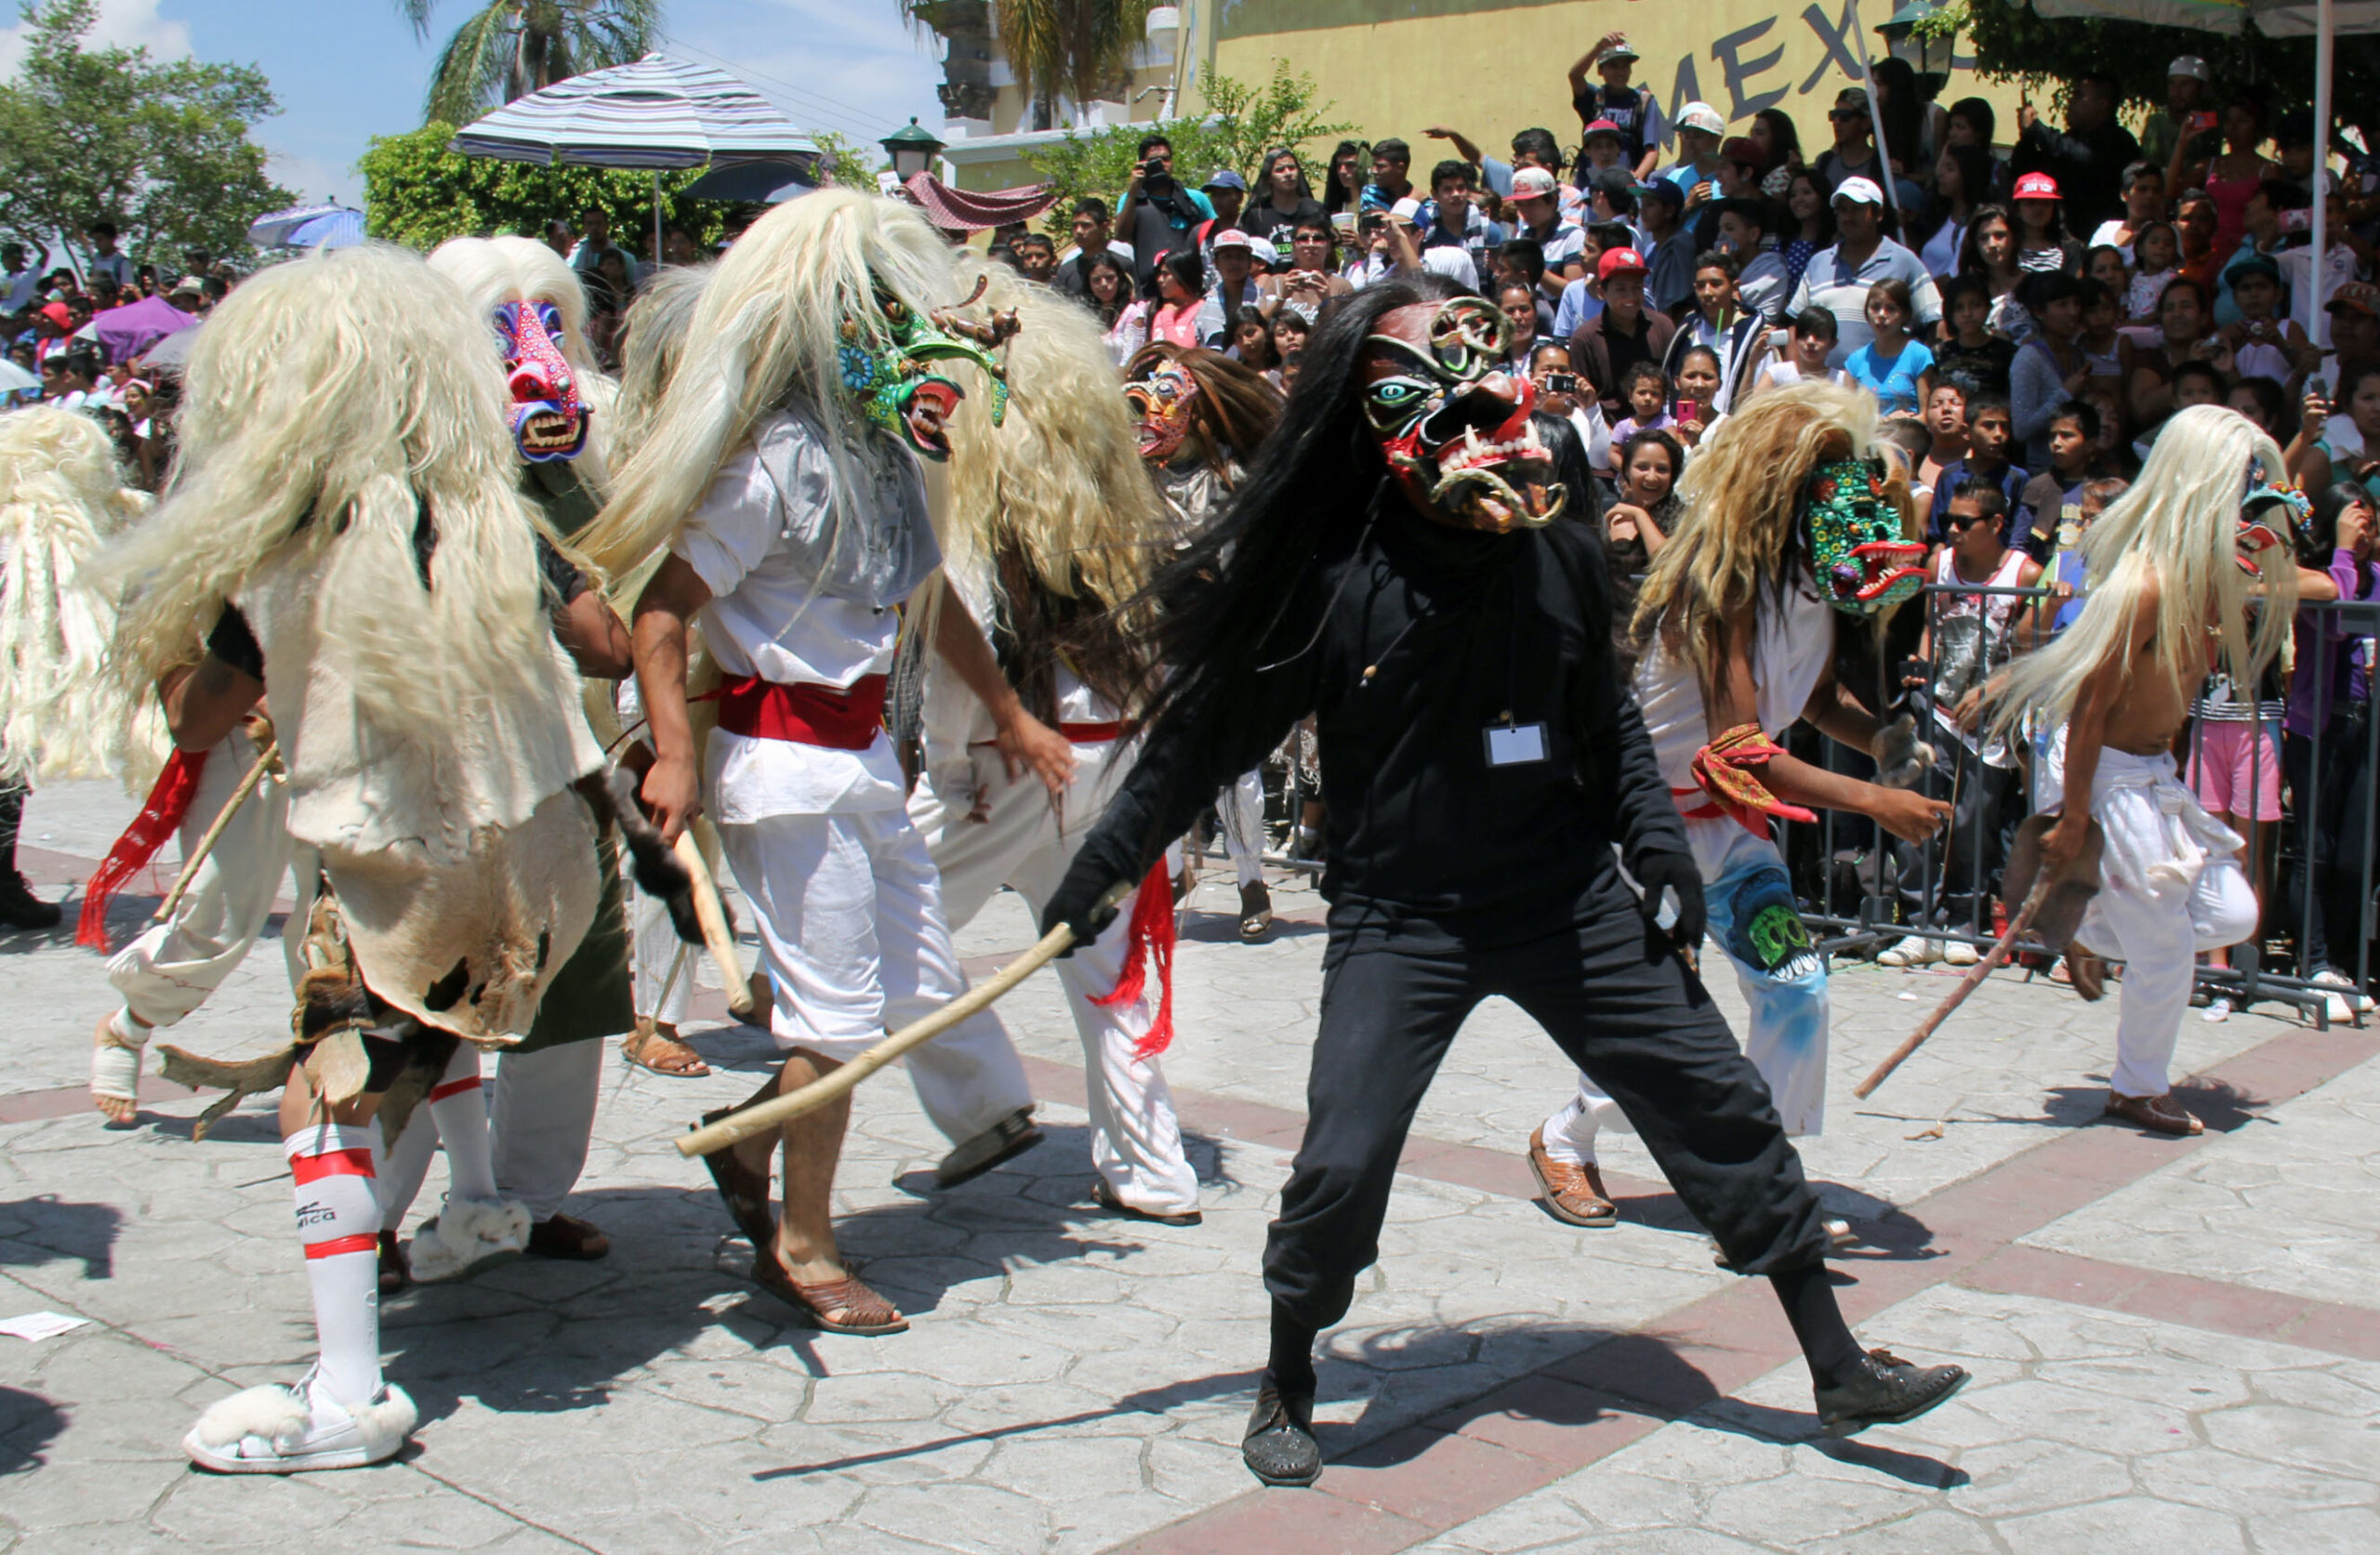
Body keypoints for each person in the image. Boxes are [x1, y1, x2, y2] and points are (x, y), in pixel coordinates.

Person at [1039, 283, 1970, 1488]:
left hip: (1564, 894)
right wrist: (1103, 866)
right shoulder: (1334, 581)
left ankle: (1838, 1364)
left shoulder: (1560, 555)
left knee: (1719, 1103)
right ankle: (1288, 1375)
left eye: (1484, 383)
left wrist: (1652, 859)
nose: (1466, 415)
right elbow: (1202, 740)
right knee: (1341, 1160)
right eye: (1416, 395)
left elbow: (1613, 734)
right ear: (1371, 425)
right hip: (1400, 914)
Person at [98, 245, 613, 1473]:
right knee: (448, 1027)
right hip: (538, 849)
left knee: (325, 1092)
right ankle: (481, 1198)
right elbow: (598, 636)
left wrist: (189, 649)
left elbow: (200, 712)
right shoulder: (495, 512)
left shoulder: (278, 534)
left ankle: (348, 1393)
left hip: (399, 859)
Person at [588, 191, 1051, 1338]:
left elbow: (927, 600)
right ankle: (802, 1241)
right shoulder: (769, 462)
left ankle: (748, 1152)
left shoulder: (885, 450)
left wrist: (1008, 710)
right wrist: (677, 757)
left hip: (865, 769)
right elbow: (658, 611)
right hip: (787, 774)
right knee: (834, 1021)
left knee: (905, 996)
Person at [1536, 381, 1946, 1213]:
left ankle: (1756, 1183)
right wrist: (1876, 800)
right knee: (1658, 1019)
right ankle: (1564, 1137)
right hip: (1638, 825)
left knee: (1796, 986)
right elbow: (1742, 751)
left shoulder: (1818, 587)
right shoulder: (1722, 585)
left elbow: (1817, 698)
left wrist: (1884, 741)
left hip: (1726, 827)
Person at [901, 258, 1207, 1225]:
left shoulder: (981, 497)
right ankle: (1151, 1171)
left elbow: (963, 642)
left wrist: (953, 764)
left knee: (887, 929)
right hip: (1112, 756)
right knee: (1109, 974)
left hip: (1012, 759)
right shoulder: (1122, 499)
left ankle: (985, 1099)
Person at [1989, 407, 2292, 1136]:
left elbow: (2298, 571)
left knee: (2231, 915)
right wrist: (2075, 816)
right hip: (2110, 768)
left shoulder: (2206, 575)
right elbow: (2089, 707)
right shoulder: (2148, 583)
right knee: (2161, 943)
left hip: (2153, 771)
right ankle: (2136, 1086)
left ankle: (2087, 928)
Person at [2281, 482, 2379, 1020]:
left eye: (2369, 523)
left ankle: (2343, 964)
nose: (2364, 532)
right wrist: (2342, 549)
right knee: (2314, 849)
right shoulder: (2316, 577)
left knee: (2353, 853)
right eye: (2354, 521)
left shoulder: (2378, 576)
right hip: (2317, 726)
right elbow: (2338, 622)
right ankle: (2312, 964)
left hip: (2364, 726)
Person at [2012, 73, 2140, 234]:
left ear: (2102, 104)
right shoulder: (2070, 139)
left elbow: (2082, 156)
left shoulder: (2119, 141)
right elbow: (2026, 170)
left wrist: (2036, 128)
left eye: (2079, 96)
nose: (2070, 102)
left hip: (2103, 240)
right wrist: (2027, 137)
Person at [1570, 246, 1674, 422]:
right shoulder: (1585, 338)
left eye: (1637, 287)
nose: (1631, 297)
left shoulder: (1663, 327)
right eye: (1621, 289)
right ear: (1602, 292)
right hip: (1606, 432)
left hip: (1659, 429)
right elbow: (1580, 400)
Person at [2013, 273, 2094, 470]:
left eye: (2076, 303)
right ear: (2040, 311)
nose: (2073, 312)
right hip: (2044, 474)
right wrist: (2065, 394)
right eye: (2062, 305)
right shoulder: (2028, 358)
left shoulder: (2077, 355)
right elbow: (2022, 429)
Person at [1925, 391, 2029, 545]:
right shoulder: (1950, 476)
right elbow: (1937, 534)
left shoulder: (2017, 478)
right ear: (1967, 432)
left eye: (2004, 427)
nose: (1998, 434)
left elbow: (2019, 536)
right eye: (1988, 426)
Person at [1118, 135, 1217, 292]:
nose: (1162, 165)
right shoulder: (1131, 199)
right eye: (1154, 160)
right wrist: (1133, 190)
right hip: (1149, 290)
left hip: (1191, 288)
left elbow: (1217, 233)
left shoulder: (1195, 198)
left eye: (1166, 159)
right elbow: (1122, 235)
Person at [1568, 33, 1664, 181]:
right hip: (1590, 183)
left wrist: (1636, 177)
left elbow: (1652, 151)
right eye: (1613, 66)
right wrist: (1597, 49)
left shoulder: (1644, 102)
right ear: (1600, 70)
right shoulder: (1594, 97)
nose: (1620, 72)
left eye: (1625, 66)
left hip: (1627, 185)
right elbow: (1575, 76)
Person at [1843, 277, 1936, 416]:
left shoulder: (1920, 355)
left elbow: (1926, 415)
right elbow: (1848, 417)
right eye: (1875, 307)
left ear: (1905, 315)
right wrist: (1883, 422)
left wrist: (1901, 423)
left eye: (1891, 309)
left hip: (1908, 435)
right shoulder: (1855, 362)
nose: (1881, 315)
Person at [1924, 144, 1995, 280]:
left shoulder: (1978, 221)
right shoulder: (1938, 215)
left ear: (1968, 175)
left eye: (1950, 169)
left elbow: (1954, 274)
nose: (1941, 174)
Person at [2138, 56, 2217, 175]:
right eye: (2172, 84)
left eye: (2185, 84)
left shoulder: (2209, 121)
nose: (2176, 91)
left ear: (2203, 88)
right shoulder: (2157, 123)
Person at [1239, 148, 1325, 250]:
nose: (1288, 174)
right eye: (1280, 170)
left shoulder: (1315, 209)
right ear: (1269, 178)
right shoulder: (1257, 215)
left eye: (1292, 168)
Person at [1638, 178, 1695, 314]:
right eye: (1642, 204)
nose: (1642, 211)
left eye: (1650, 205)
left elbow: (1678, 302)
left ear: (1669, 211)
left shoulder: (1681, 245)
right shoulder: (1651, 249)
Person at [2010, 172, 2082, 278]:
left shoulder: (2072, 248)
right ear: (2017, 210)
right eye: (2030, 203)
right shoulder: (2007, 246)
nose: (2038, 209)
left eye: (2045, 203)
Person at [2090, 163, 2170, 259]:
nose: (2150, 195)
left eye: (2156, 191)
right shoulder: (2106, 230)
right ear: (2124, 195)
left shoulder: (2168, 235)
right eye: (2142, 189)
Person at [568, 204, 641, 291]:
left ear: (607, 226)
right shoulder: (573, 261)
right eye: (590, 224)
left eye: (598, 223)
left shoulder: (627, 259)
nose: (594, 228)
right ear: (584, 227)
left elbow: (635, 289)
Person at [1148, 250, 1207, 348]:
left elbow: (1181, 352)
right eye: (1159, 274)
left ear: (1183, 275)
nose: (1160, 280)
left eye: (1166, 274)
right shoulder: (1161, 313)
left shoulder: (1202, 310)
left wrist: (1167, 318)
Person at [2124, 220, 2181, 322]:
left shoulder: (2172, 280)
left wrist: (2137, 324)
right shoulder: (2135, 278)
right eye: (2154, 242)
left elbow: (2161, 313)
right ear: (2140, 249)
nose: (2161, 247)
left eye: (2167, 244)